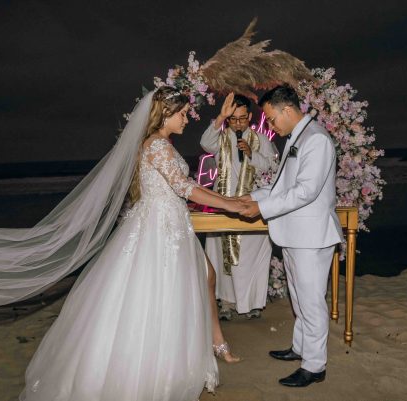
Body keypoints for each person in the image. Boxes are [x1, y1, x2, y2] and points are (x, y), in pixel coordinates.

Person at [18, 86, 244, 400]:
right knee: (160, 293)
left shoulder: (158, 143)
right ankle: (156, 370)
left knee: (195, 281)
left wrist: (227, 201)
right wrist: (231, 205)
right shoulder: (157, 145)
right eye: (181, 114)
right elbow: (184, 187)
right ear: (165, 114)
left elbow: (182, 185)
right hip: (160, 230)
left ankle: (209, 346)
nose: (186, 119)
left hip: (171, 224)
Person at [238, 85, 344, 388]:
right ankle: (300, 347)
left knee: (311, 301)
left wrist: (262, 208)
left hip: (311, 235)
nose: (271, 126)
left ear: (287, 110)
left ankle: (314, 365)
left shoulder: (316, 139)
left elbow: (306, 191)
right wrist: (252, 197)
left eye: (272, 119)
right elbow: (282, 186)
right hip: (295, 233)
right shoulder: (297, 137)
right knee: (298, 295)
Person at [200, 93, 277, 320]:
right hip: (224, 206)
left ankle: (253, 303)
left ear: (250, 117)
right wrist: (220, 117)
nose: (238, 124)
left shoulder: (261, 140)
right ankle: (226, 303)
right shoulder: (220, 137)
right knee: (222, 256)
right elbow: (205, 143)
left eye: (242, 119)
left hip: (252, 207)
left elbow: (273, 168)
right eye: (233, 119)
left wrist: (252, 154)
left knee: (250, 258)